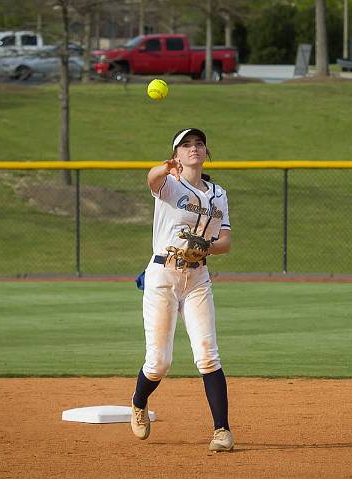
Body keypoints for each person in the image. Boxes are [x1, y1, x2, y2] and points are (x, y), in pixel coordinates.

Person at [130, 127, 234, 452]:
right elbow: (151, 179)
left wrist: (206, 246)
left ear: (206, 152)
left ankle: (222, 431)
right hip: (163, 275)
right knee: (159, 362)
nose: (193, 148)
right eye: (186, 145)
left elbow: (226, 242)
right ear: (176, 154)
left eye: (199, 144)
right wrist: (164, 168)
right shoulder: (170, 185)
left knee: (207, 353)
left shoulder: (218, 194)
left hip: (198, 277)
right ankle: (138, 402)